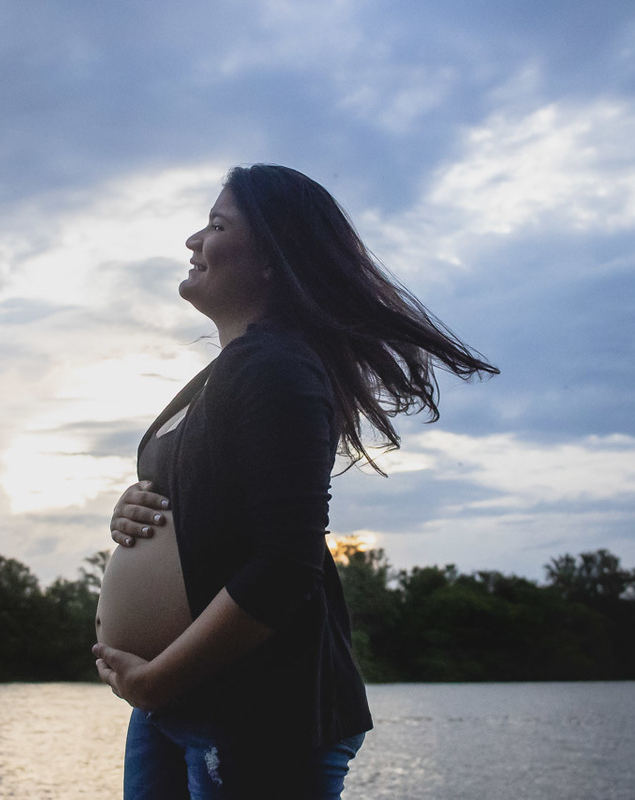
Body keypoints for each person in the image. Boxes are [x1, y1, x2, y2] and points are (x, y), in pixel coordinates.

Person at [92, 163, 498, 799]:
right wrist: (134, 513)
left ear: (274, 260)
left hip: (254, 710)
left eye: (218, 225)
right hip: (178, 705)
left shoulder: (278, 368)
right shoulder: (234, 370)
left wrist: (160, 676)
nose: (194, 242)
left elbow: (285, 565)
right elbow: (210, 505)